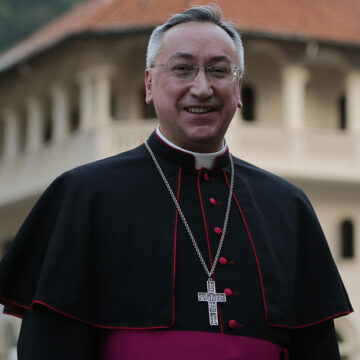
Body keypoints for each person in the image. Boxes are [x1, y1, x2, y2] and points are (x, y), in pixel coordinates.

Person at [0, 4, 353, 360]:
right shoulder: (83, 196)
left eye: (219, 70)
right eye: (182, 69)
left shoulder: (288, 206)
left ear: (239, 88)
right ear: (150, 84)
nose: (202, 88)